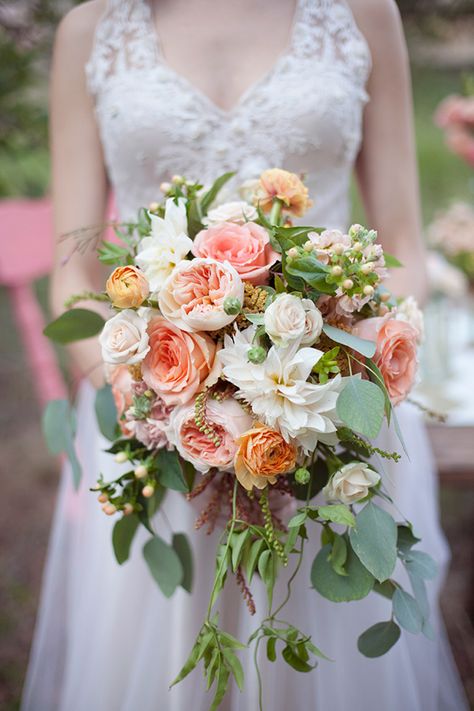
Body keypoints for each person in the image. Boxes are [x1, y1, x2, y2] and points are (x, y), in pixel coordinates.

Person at [22, 1, 468, 709]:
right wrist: (151, 395)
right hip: (157, 428)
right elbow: (72, 277)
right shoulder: (93, 29)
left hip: (325, 413)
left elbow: (405, 247)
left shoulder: (361, 14)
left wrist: (339, 366)